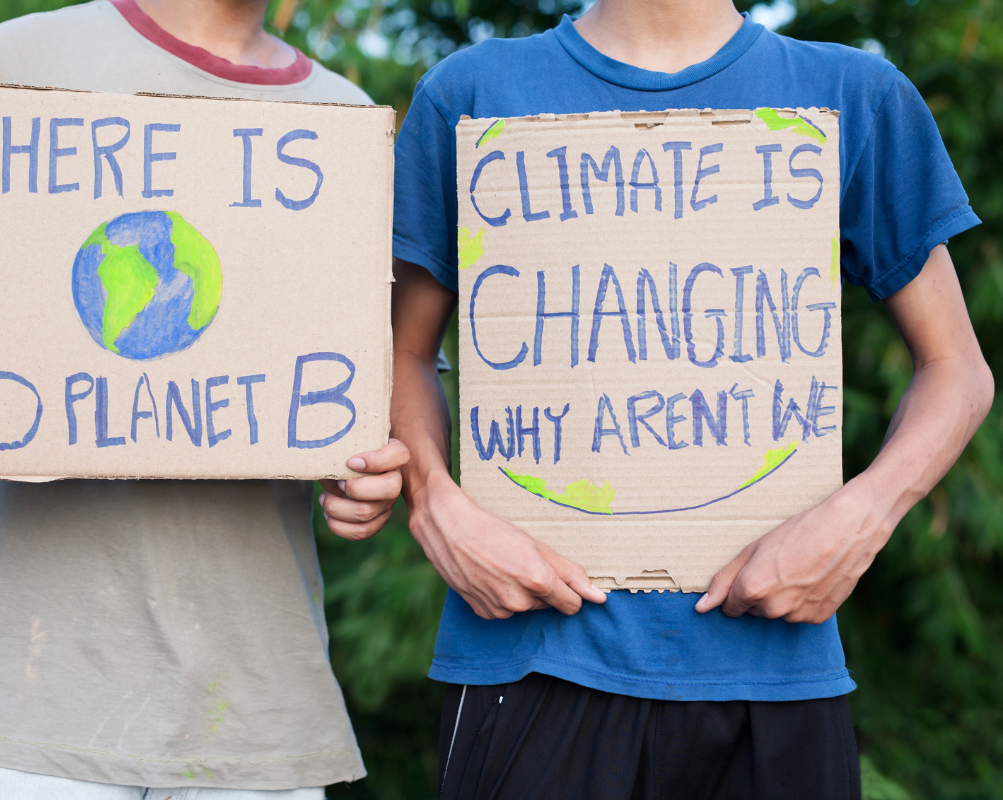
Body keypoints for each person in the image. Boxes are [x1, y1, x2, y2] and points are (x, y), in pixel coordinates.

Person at [0, 0, 409, 797]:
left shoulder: (345, 124)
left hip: (256, 719)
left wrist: (371, 474)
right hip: (22, 701)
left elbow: (360, 389)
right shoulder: (21, 58)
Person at [389, 0, 993, 796]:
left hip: (775, 670)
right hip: (529, 663)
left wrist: (866, 516)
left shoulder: (852, 95)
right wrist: (433, 502)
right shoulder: (471, 93)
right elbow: (400, 351)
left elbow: (957, 369)